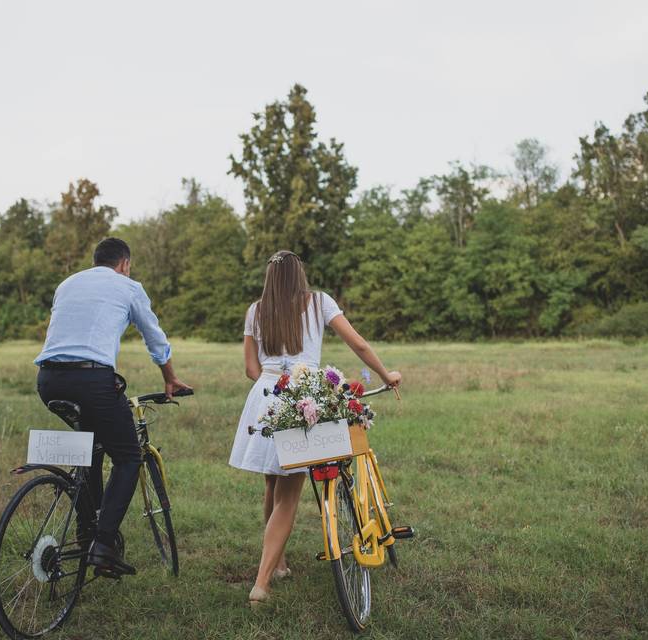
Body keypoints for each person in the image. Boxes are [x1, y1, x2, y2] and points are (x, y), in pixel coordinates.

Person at [228, 250, 402, 605]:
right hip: (302, 397)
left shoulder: (256, 310)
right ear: (299, 275)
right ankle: (261, 584)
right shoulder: (319, 302)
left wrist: (271, 378)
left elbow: (250, 367)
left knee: (273, 481)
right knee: (289, 494)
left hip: (264, 395)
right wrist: (387, 375)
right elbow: (358, 343)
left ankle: (278, 563)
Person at [35, 237, 192, 576]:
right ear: (124, 264)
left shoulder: (67, 283)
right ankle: (103, 545)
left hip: (48, 380)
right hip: (92, 381)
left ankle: (85, 532)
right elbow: (155, 337)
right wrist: (170, 377)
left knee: (90, 449)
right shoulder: (128, 286)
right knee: (128, 456)